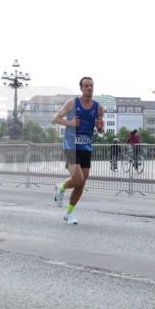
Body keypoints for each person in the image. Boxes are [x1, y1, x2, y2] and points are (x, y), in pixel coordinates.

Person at [52, 76, 105, 224]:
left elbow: (101, 130)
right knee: (78, 178)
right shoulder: (72, 103)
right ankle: (61, 187)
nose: (89, 88)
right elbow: (55, 118)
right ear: (81, 88)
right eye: (86, 86)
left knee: (81, 183)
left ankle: (69, 213)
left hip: (86, 147)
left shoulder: (98, 107)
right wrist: (71, 123)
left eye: (91, 86)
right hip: (71, 146)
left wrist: (100, 128)